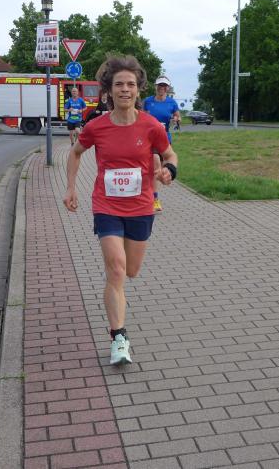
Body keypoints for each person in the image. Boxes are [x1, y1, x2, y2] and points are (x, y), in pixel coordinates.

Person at [63, 55, 178, 366]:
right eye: (119, 85)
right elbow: (75, 153)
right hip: (107, 205)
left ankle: (119, 303)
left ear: (138, 90)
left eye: (130, 84)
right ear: (109, 90)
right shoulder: (96, 126)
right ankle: (119, 338)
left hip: (140, 206)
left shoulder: (150, 125)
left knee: (131, 271)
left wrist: (169, 170)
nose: (125, 89)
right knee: (115, 269)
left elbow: (170, 154)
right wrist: (71, 187)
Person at [143, 76, 179, 212]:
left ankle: (151, 192)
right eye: (159, 85)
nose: (161, 88)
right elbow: (141, 116)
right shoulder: (148, 101)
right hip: (149, 139)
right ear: (155, 86)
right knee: (155, 163)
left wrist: (176, 119)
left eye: (164, 86)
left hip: (165, 138)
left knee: (159, 170)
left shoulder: (172, 103)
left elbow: (177, 115)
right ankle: (154, 199)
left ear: (167, 88)